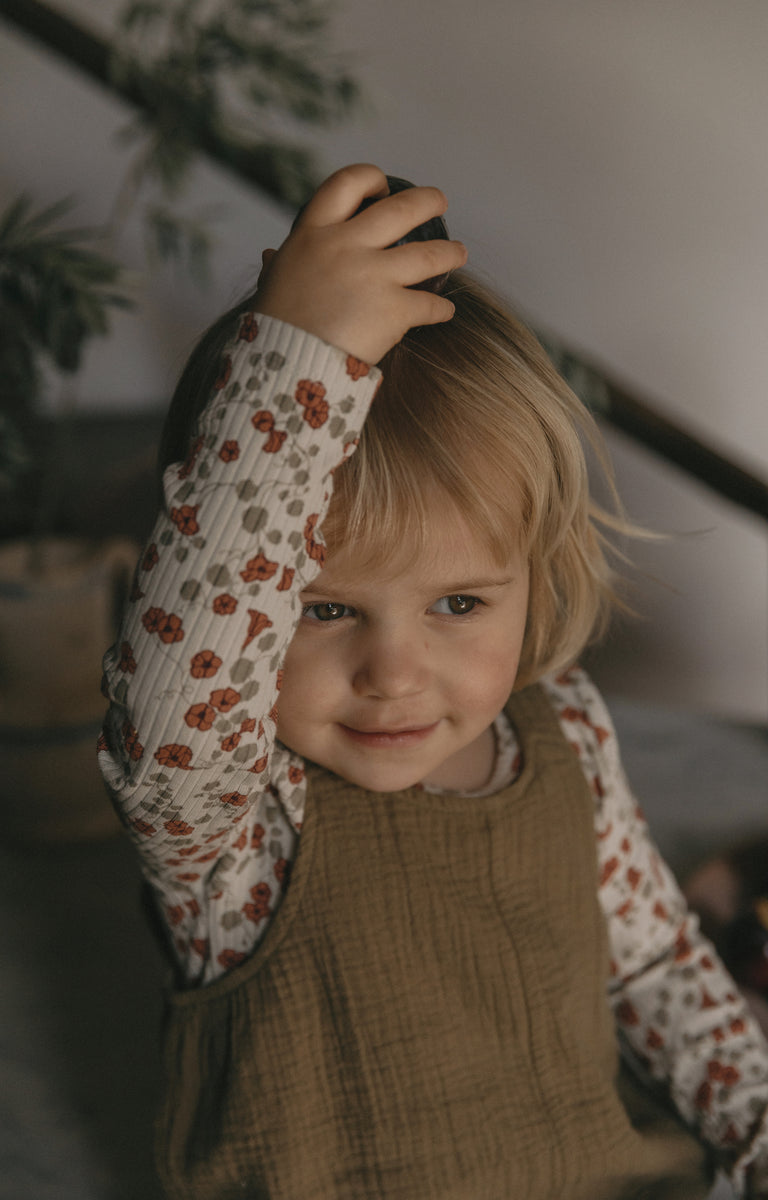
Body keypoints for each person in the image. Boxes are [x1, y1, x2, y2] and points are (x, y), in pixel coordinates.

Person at [99, 163, 768, 1198]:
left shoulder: (569, 734)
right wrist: (296, 367)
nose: (394, 674)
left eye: (458, 603)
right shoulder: (225, 810)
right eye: (320, 609)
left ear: (533, 579)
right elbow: (185, 662)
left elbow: (650, 967)